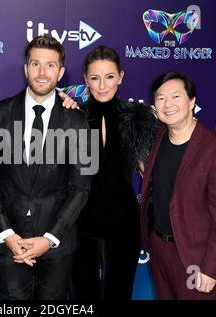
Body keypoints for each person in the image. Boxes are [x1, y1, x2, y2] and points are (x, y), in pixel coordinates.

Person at [0, 35, 92, 300]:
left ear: (61, 71)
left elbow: (82, 188)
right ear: (25, 68)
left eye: (51, 65)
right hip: (10, 241)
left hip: (57, 242)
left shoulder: (78, 120)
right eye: (35, 64)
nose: (42, 73)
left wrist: (49, 238)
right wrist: (8, 234)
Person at [140, 71, 216, 299]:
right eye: (160, 98)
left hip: (195, 257)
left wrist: (210, 268)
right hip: (158, 247)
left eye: (176, 96)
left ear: (192, 101)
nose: (168, 104)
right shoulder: (158, 137)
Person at [70, 46, 156, 300]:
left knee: (119, 294)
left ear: (121, 76)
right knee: (82, 296)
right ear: (85, 79)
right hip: (79, 223)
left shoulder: (139, 118)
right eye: (95, 78)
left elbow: (148, 171)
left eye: (109, 77)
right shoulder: (72, 116)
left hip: (123, 223)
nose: (103, 86)